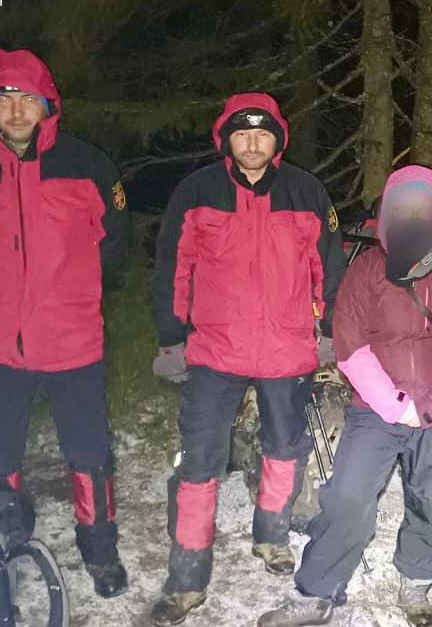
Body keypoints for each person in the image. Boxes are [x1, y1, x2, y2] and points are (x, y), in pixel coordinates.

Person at [0, 48, 131, 599]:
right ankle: (1, 550)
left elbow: (115, 242)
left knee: (89, 453)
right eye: (5, 99)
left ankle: (100, 551)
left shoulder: (88, 163)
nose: (18, 109)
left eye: (29, 98)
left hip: (72, 340)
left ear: (49, 104)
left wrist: (74, 294)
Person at [257, 165, 432, 627]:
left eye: (423, 209)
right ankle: (317, 590)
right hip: (377, 410)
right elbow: (351, 345)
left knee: (429, 499)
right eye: (404, 208)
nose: (413, 216)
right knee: (348, 495)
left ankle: (417, 579)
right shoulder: (365, 269)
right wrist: (395, 405)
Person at [149, 93, 346, 626]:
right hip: (214, 349)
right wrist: (171, 338)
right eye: (242, 133)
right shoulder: (196, 191)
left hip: (287, 349)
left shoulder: (306, 191)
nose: (252, 143)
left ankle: (272, 537)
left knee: (285, 447)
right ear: (226, 139)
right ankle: (187, 577)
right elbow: (173, 265)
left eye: (262, 133)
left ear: (278, 139)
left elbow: (329, 266)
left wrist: (328, 332)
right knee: (199, 460)